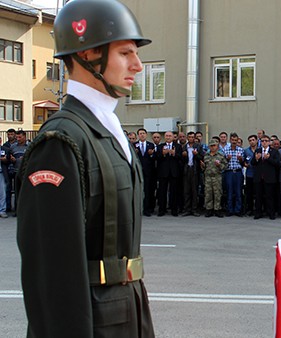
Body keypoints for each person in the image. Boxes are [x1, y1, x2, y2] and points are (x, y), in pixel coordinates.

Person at [16, 0, 154, 336]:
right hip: (95, 321)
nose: (137, 65)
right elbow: (53, 274)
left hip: (127, 312)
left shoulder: (108, 129)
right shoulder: (61, 142)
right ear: (88, 55)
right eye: (125, 53)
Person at [252, 135, 280, 219]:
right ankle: (258, 213)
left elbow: (277, 163)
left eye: (266, 141)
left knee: (270, 196)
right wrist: (256, 159)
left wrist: (269, 158)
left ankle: (271, 213)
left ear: (269, 142)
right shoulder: (257, 150)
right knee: (258, 196)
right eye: (262, 141)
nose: (264, 142)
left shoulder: (274, 151)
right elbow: (252, 163)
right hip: (259, 177)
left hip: (269, 177)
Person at [156, 131, 183, 216]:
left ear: (173, 137)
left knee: (174, 192)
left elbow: (180, 158)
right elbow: (157, 158)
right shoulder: (160, 146)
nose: (168, 137)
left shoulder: (178, 146)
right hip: (163, 172)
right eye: (166, 136)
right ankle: (161, 210)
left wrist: (174, 154)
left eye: (170, 136)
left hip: (174, 172)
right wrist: (163, 154)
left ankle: (174, 210)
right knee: (162, 191)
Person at [202, 139, 227, 217]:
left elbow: (225, 166)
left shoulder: (221, 155)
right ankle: (209, 209)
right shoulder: (206, 155)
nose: (212, 147)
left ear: (217, 146)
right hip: (208, 177)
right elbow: (204, 168)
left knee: (217, 193)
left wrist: (219, 165)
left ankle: (217, 209)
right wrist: (202, 166)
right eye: (211, 146)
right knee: (208, 193)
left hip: (217, 177)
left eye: (214, 146)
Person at [223, 133, 245, 216]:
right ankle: (230, 210)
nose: (234, 142)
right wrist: (227, 159)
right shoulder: (225, 149)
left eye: (236, 140)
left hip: (238, 172)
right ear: (230, 140)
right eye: (232, 140)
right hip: (229, 172)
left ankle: (238, 210)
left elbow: (243, 163)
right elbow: (223, 163)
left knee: (238, 192)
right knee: (229, 191)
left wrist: (240, 160)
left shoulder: (240, 150)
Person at [135, 128, 156, 216]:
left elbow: (154, 158)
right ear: (138, 135)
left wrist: (151, 154)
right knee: (138, 191)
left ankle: (147, 209)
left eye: (143, 133)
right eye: (140, 133)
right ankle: (137, 209)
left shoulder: (150, 145)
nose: (142, 135)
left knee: (147, 190)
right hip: (138, 170)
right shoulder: (134, 145)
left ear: (146, 135)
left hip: (148, 171)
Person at [181, 131, 202, 216]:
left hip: (195, 170)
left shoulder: (198, 146)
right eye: (189, 137)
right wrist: (184, 156)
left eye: (192, 137)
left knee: (194, 190)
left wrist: (196, 155)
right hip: (187, 170)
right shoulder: (184, 147)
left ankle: (194, 209)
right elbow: (181, 160)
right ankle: (187, 209)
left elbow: (202, 157)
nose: (191, 138)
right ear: (187, 138)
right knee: (186, 190)